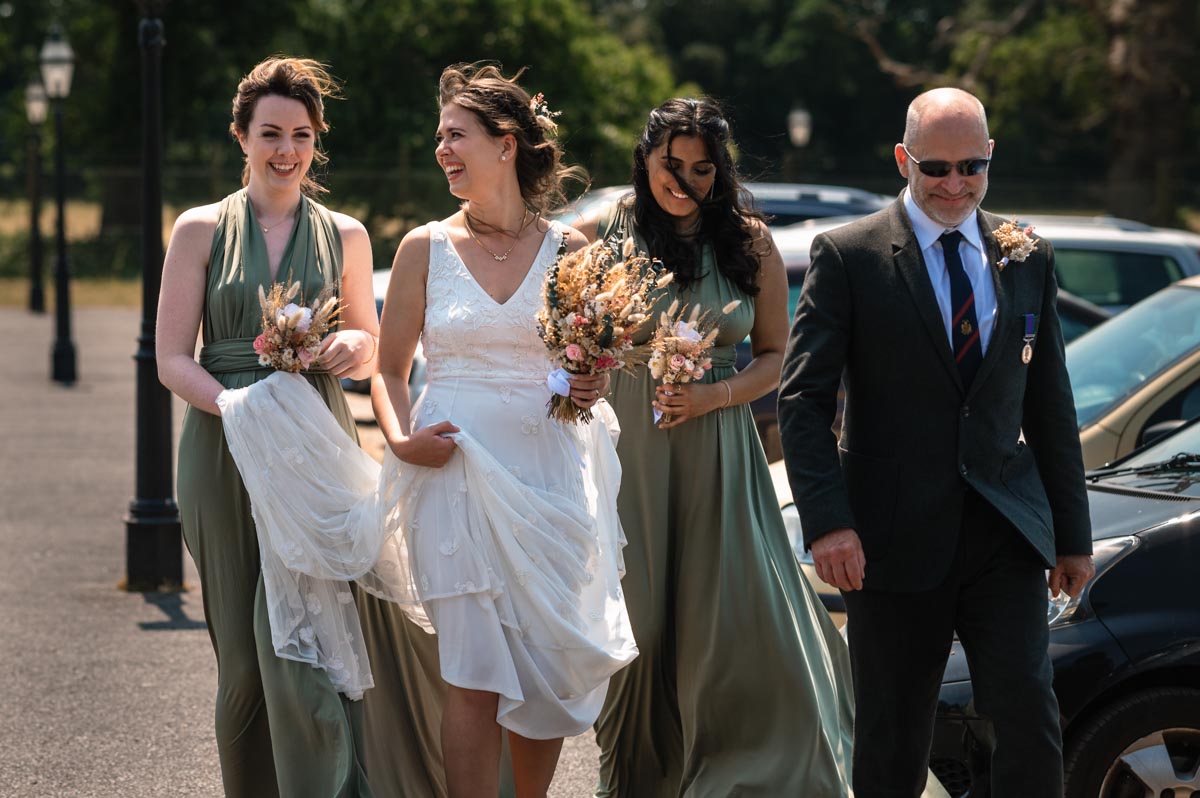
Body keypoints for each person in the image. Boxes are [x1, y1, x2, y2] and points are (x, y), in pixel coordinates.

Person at [778, 87, 1096, 797]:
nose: (954, 185)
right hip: (888, 540)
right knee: (893, 732)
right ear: (903, 160)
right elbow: (801, 399)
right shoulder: (849, 254)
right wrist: (829, 523)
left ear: (990, 159)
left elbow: (1050, 403)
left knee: (1027, 713)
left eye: (971, 167)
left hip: (1004, 532)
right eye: (936, 168)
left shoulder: (1027, 255)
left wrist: (1072, 535)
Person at [157, 56, 444, 797]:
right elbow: (168, 359)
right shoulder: (197, 230)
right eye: (270, 134)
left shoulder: (346, 234)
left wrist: (348, 347)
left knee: (311, 641)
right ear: (241, 136)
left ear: (317, 140)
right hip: (224, 451)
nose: (286, 150)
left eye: (302, 136)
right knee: (245, 664)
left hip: (315, 447)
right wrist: (238, 411)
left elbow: (368, 343)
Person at [370, 63, 637, 798]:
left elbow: (591, 368)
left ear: (507, 143)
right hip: (452, 474)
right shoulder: (422, 247)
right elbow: (390, 371)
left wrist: (592, 382)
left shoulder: (574, 254)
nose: (441, 151)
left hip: (550, 477)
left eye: (456, 135)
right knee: (475, 670)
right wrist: (399, 440)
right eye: (439, 138)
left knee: (543, 665)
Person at [575, 98, 856, 797]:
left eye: (703, 169)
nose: (685, 181)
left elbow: (773, 357)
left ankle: (743, 767)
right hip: (627, 450)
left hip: (720, 448)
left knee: (730, 616)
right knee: (635, 617)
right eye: (672, 164)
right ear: (644, 158)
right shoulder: (595, 239)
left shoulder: (750, 242)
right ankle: (639, 774)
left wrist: (710, 398)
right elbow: (563, 343)